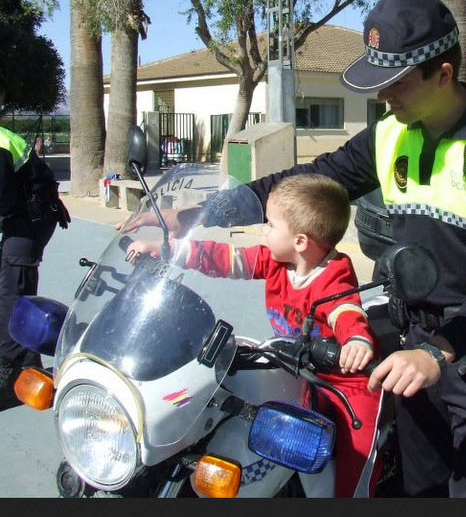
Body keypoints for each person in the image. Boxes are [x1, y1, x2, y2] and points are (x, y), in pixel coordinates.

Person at [120, 0, 466, 497]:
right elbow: (309, 183)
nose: (384, 96)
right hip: (412, 346)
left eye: (396, 83)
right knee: (419, 488)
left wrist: (442, 350)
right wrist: (197, 215)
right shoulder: (391, 132)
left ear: (444, 72)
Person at [125, 173, 384, 498]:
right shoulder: (276, 260)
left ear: (300, 241)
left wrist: (356, 340)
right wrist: (169, 248)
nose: (264, 231)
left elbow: (345, 310)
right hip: (295, 367)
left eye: (271, 225)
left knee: (356, 455)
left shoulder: (334, 275)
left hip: (344, 381)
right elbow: (226, 259)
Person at [0, 125, 71, 411]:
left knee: (12, 290)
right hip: (17, 216)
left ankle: (14, 370)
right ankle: (21, 358)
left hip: (30, 219)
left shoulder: (1, 143)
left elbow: (1, 198)